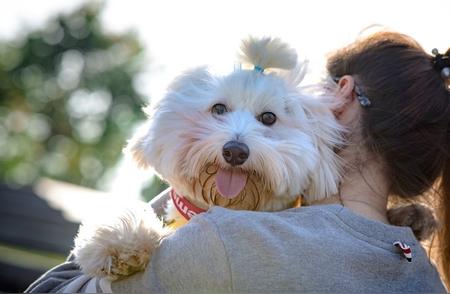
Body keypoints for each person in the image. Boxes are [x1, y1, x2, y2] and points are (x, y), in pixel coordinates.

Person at [26, 31, 449, 293]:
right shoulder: (424, 276)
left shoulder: (233, 242)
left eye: (269, 119)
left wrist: (181, 190)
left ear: (340, 94)